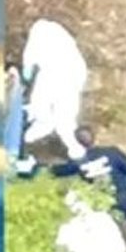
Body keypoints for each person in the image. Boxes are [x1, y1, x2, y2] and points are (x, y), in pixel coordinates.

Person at [21, 19, 89, 160]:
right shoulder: (60, 34)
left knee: (41, 106)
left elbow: (28, 61)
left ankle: (38, 131)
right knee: (65, 115)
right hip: (73, 73)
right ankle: (75, 149)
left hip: (54, 73)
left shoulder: (37, 37)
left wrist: (26, 76)